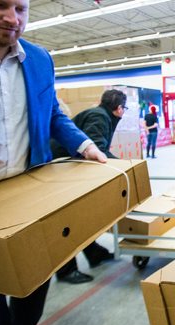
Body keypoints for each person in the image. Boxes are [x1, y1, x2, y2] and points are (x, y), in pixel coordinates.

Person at [0, 0, 107, 325]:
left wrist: (86, 145)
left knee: (33, 285)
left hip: (28, 190)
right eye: (1, 6)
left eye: (21, 8)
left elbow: (53, 115)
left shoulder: (40, 60)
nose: (11, 18)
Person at [51, 89, 128, 284]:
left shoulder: (101, 115)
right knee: (65, 221)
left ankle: (94, 253)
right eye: (124, 108)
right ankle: (66, 270)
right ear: (119, 108)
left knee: (82, 216)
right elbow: (98, 150)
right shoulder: (99, 117)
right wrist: (125, 167)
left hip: (69, 167)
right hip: (59, 170)